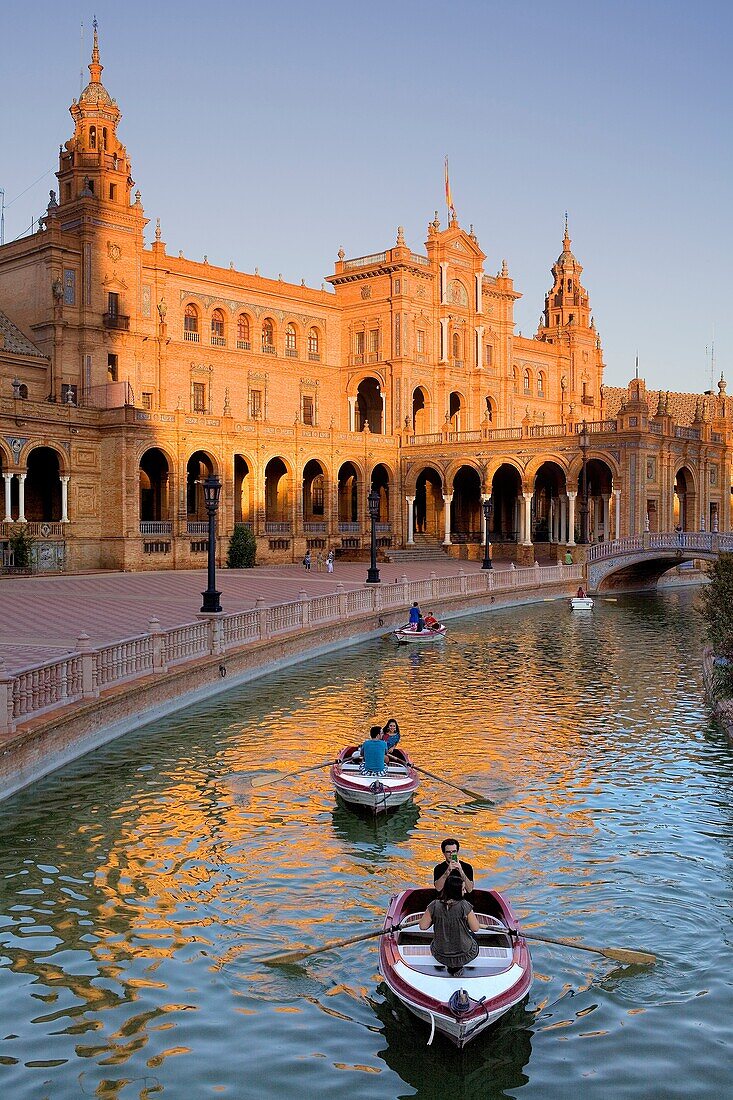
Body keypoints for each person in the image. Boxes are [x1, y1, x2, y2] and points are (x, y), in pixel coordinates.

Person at [419, 871, 480, 976]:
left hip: (440, 954)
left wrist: (434, 918)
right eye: (462, 889)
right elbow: (475, 928)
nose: (464, 891)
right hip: (464, 953)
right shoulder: (464, 905)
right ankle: (458, 967)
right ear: (455, 891)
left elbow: (423, 926)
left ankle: (450, 966)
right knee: (473, 935)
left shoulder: (434, 905)